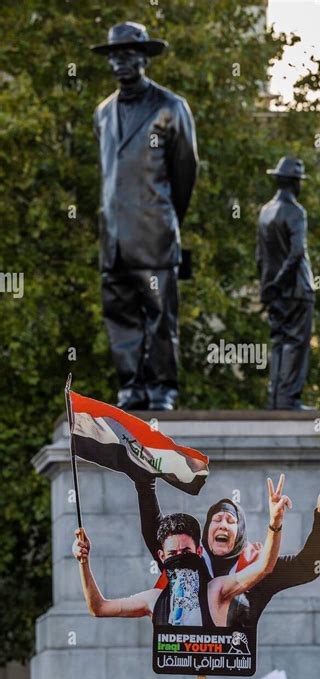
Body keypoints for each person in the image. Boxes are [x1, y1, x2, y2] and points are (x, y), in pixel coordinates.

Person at [91, 22, 198, 411]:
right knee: (119, 317)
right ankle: (130, 387)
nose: (121, 63)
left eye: (129, 55)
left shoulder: (171, 108)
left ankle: (162, 389)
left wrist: (168, 219)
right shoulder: (102, 113)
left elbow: (185, 171)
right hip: (113, 237)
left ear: (144, 58)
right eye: (115, 56)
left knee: (160, 317)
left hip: (155, 231)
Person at [135, 463, 320, 627]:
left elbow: (309, 567)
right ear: (207, 530)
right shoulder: (187, 557)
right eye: (216, 520)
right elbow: (158, 537)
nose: (222, 525)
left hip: (236, 662)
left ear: (240, 534)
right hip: (189, 659)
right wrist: (146, 484)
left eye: (230, 521)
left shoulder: (258, 564)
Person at [73, 478, 291, 628]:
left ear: (197, 551)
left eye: (185, 551)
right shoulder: (154, 599)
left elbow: (264, 566)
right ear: (161, 557)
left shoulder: (216, 591)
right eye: (173, 552)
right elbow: (98, 607)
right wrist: (83, 562)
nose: (180, 557)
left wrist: (275, 523)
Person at [256, 156, 316, 410]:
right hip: (296, 289)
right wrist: (280, 284)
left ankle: (276, 398)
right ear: (294, 183)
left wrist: (267, 288)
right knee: (295, 343)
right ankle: (288, 399)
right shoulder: (295, 212)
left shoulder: (265, 212)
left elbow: (261, 257)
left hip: (275, 291)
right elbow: (296, 253)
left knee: (279, 342)